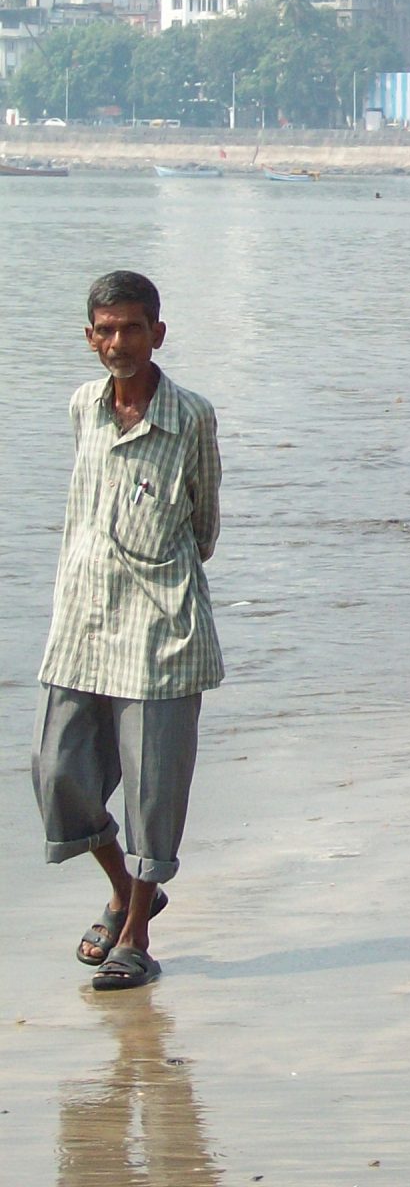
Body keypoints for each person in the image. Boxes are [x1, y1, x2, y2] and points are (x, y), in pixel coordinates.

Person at [31, 271, 222, 992]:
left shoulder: (190, 418)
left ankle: (137, 937)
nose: (118, 343)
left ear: (158, 334)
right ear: (90, 338)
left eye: (132, 328)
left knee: (151, 794)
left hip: (161, 636)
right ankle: (123, 889)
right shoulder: (83, 407)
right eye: (105, 331)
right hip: (80, 628)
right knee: (57, 774)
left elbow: (203, 529)